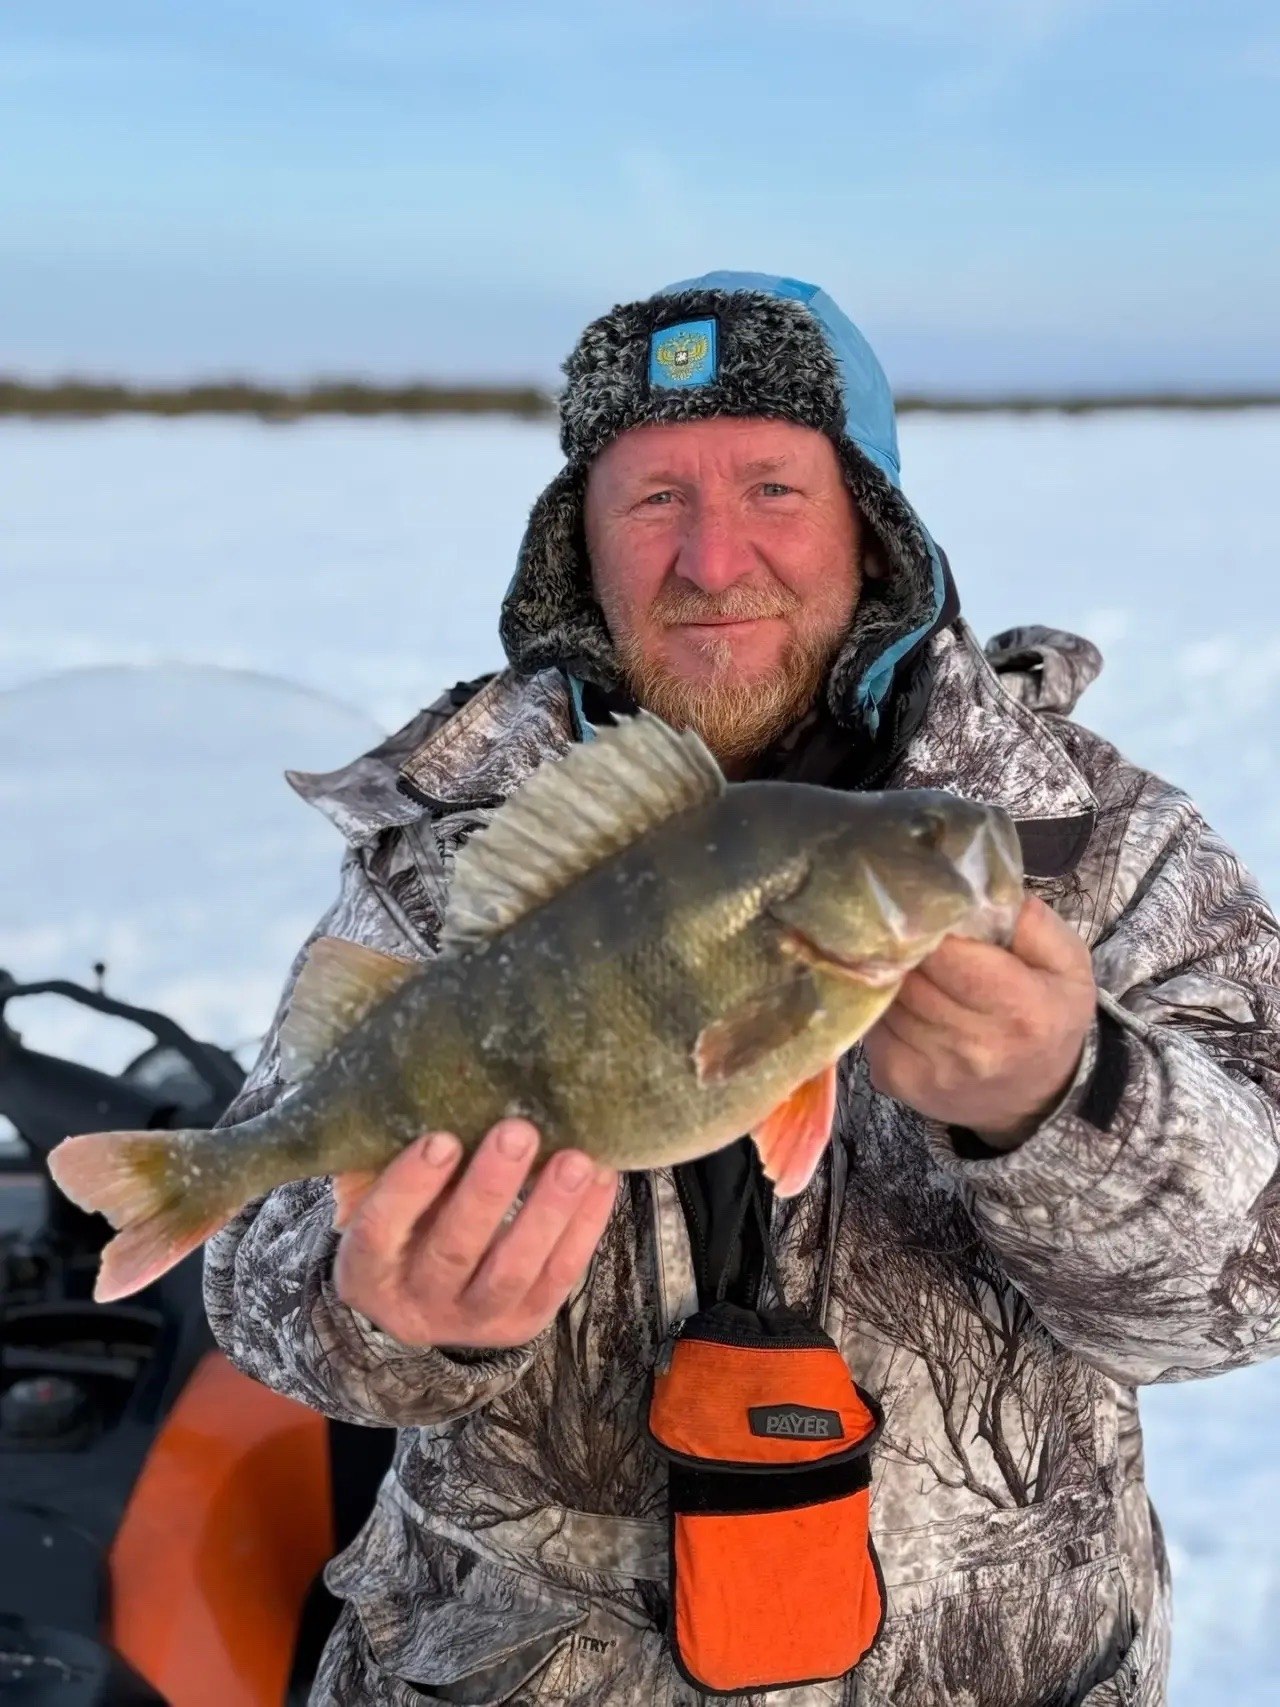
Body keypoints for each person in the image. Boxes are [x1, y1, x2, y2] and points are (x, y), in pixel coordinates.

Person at [205, 272, 1280, 1705]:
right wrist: (389, 1312)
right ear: (577, 548)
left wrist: (1066, 1101)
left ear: (874, 529)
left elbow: (1252, 1292)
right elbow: (258, 1279)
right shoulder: (451, 858)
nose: (713, 561)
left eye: (774, 486)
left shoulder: (1092, 841)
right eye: (652, 501)